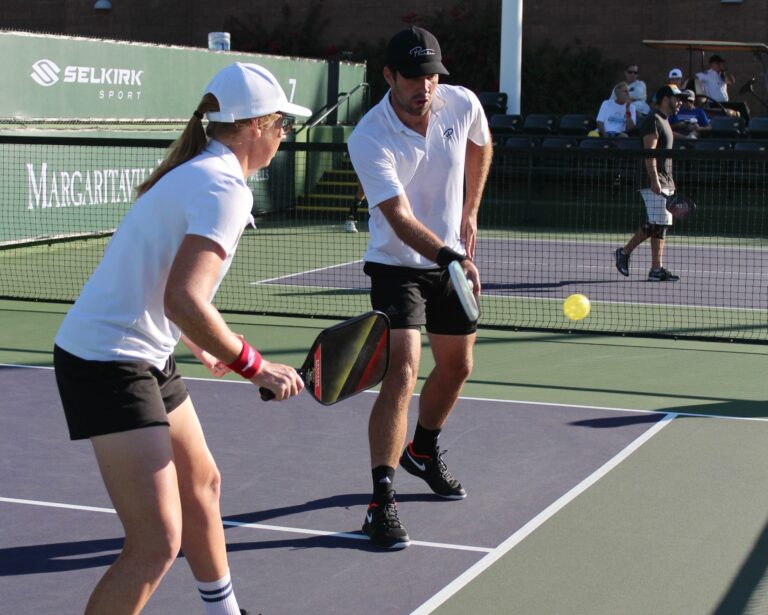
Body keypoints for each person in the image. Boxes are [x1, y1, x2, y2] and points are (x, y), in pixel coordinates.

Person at [52, 62, 310, 614]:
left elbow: (160, 282)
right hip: (108, 360)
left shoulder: (199, 171)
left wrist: (199, 341)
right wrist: (253, 364)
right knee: (156, 545)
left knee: (203, 485)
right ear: (255, 127)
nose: (285, 135)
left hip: (143, 351)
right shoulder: (223, 187)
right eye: (282, 124)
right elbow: (184, 300)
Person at [347, 26, 492, 549]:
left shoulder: (461, 103)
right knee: (403, 370)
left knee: (457, 367)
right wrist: (450, 253)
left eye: (431, 75)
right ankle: (380, 501)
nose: (424, 86)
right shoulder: (369, 134)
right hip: (397, 265)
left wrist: (470, 214)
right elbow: (399, 217)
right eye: (412, 76)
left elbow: (481, 143)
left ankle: (422, 451)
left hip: (450, 257)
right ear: (388, 76)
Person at [614, 84, 686, 282]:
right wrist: (654, 179)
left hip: (664, 180)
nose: (679, 102)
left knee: (659, 224)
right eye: (676, 98)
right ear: (665, 99)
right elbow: (650, 152)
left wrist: (669, 183)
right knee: (659, 221)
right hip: (652, 180)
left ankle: (656, 269)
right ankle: (624, 252)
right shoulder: (652, 120)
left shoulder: (665, 121)